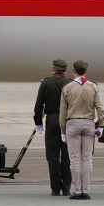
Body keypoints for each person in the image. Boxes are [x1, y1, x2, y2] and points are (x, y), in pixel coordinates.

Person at [59, 60, 104, 200]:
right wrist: (101, 125)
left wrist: (62, 130)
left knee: (74, 160)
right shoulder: (93, 87)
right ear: (85, 71)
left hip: (72, 124)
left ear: (74, 71)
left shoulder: (68, 88)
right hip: (89, 123)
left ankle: (77, 190)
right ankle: (86, 190)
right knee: (87, 159)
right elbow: (100, 108)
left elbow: (63, 112)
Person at [34, 58, 73, 196]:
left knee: (52, 156)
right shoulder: (70, 83)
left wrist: (38, 122)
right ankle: (67, 187)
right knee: (67, 156)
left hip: (51, 120)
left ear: (53, 69)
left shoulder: (46, 83)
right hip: (67, 120)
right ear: (65, 70)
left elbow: (39, 105)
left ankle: (55, 188)